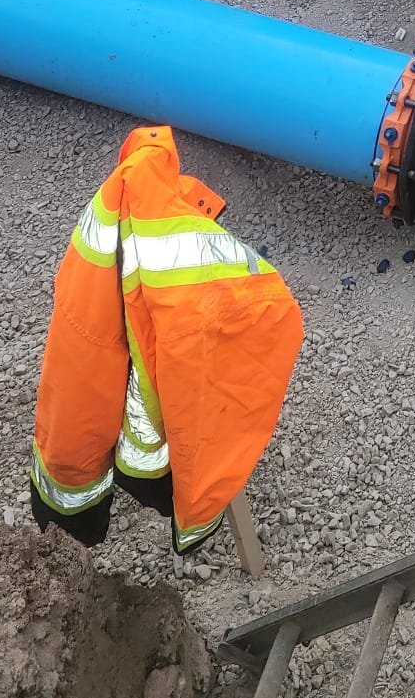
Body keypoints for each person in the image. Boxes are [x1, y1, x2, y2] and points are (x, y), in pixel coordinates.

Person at [30, 123, 303, 552]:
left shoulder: (104, 231)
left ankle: (96, 508)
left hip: (101, 395)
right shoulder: (160, 258)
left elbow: (78, 389)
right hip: (144, 448)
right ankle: (149, 497)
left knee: (89, 392)